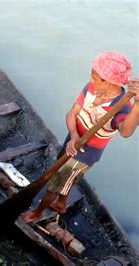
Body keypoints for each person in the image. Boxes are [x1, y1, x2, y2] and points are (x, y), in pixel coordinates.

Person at [21, 51, 139, 223]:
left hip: (84, 155)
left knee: (55, 185)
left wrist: (137, 104)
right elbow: (72, 113)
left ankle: (37, 212)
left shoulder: (122, 108)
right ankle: (61, 204)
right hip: (73, 140)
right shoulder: (92, 88)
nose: (91, 81)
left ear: (107, 82)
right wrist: (74, 136)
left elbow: (126, 131)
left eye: (95, 78)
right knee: (65, 177)